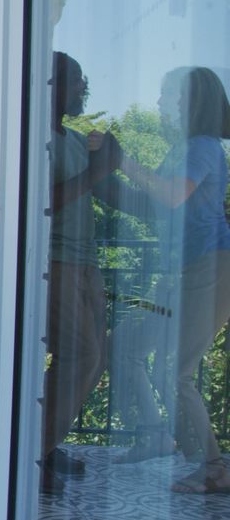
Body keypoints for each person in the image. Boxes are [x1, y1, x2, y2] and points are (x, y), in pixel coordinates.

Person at [101, 66, 230, 494]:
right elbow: (152, 204)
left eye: (167, 95)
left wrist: (120, 159)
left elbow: (172, 193)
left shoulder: (203, 147)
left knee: (178, 372)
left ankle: (213, 467)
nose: (159, 103)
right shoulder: (180, 150)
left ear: (190, 101)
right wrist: (97, 177)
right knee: (127, 344)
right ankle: (155, 432)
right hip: (176, 276)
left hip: (209, 271)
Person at [38, 52, 135, 493]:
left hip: (87, 266)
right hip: (52, 263)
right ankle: (31, 455)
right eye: (76, 80)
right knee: (82, 356)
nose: (83, 88)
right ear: (51, 83)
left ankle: (42, 440)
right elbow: (41, 203)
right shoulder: (34, 137)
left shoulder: (76, 142)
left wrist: (185, 215)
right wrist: (98, 170)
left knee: (93, 362)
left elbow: (116, 195)